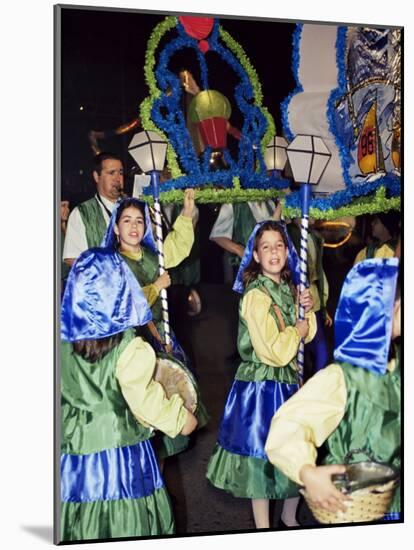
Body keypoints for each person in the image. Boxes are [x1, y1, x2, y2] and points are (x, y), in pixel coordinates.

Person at [60, 248, 198, 542]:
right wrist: (182, 418)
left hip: (71, 458)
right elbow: (145, 403)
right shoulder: (130, 348)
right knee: (126, 521)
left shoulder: (60, 346)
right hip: (119, 458)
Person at [265, 258, 400, 522]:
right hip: (359, 506)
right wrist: (306, 470)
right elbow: (289, 424)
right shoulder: (340, 378)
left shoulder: (398, 366)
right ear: (388, 310)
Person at [206, 220, 317, 529]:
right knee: (262, 456)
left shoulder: (291, 288)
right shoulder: (256, 296)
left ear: (287, 251)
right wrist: (297, 329)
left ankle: (289, 515)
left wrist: (307, 308)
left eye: (278, 245)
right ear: (255, 255)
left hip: (289, 382)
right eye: (265, 246)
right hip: (262, 386)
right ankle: (263, 528)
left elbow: (308, 336)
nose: (273, 252)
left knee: (296, 451)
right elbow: (273, 350)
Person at [101, 190, 209, 460]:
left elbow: (175, 249)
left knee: (170, 391)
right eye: (127, 220)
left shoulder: (152, 254)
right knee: (142, 406)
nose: (134, 226)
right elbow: (122, 302)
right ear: (115, 227)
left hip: (162, 333)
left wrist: (186, 214)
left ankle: (161, 461)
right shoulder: (112, 263)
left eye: (139, 220)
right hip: (132, 342)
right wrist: (155, 287)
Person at [286, 218, 332, 377]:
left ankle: (313, 391)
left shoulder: (315, 237)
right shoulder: (287, 233)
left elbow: (320, 273)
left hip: (314, 300)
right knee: (298, 355)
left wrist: (324, 305)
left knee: (321, 353)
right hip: (293, 300)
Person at [63, 152, 124, 266]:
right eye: (111, 173)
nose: (118, 178)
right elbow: (72, 259)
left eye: (120, 173)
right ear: (97, 176)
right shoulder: (81, 213)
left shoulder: (133, 207)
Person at [209, 200, 279, 283]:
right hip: (247, 269)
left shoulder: (270, 203)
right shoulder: (234, 204)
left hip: (271, 265)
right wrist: (239, 250)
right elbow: (217, 235)